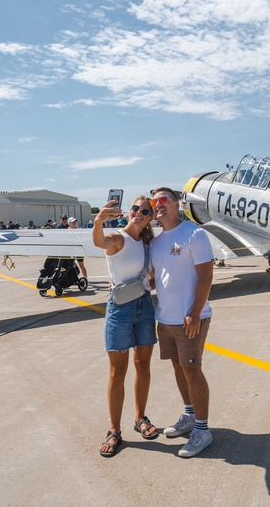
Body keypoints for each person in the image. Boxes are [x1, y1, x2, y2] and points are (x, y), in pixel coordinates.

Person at [149, 187, 215, 458]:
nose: (158, 205)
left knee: (192, 371)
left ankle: (202, 430)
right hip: (165, 318)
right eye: (154, 201)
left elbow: (206, 275)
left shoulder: (193, 233)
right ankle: (189, 416)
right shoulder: (155, 242)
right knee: (178, 367)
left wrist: (195, 312)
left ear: (177, 204)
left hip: (190, 317)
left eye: (164, 200)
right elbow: (157, 277)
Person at [92, 196, 158, 458]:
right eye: (135, 208)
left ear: (150, 217)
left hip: (144, 307)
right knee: (117, 372)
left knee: (143, 365)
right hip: (120, 309)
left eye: (145, 211)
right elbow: (99, 242)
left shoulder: (149, 243)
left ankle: (140, 418)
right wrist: (98, 220)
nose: (138, 213)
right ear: (129, 212)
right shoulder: (118, 238)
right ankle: (114, 430)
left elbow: (152, 276)